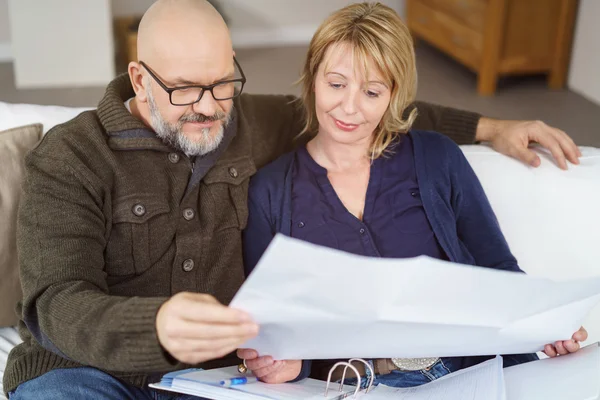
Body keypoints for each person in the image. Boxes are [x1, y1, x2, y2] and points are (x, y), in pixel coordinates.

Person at [2, 0, 582, 398]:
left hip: (208, 379)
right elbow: (55, 304)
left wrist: (486, 126)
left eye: (222, 83)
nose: (207, 107)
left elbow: (366, 106)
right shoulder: (70, 156)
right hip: (81, 372)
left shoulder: (243, 120)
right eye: (184, 90)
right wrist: (153, 324)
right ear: (139, 78)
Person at [238, 2, 587, 388]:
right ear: (312, 78)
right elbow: (272, 327)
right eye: (336, 84)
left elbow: (498, 271)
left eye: (372, 91)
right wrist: (287, 366)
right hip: (355, 387)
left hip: (468, 372)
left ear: (394, 94)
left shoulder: (437, 158)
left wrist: (547, 325)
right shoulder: (270, 192)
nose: (349, 107)